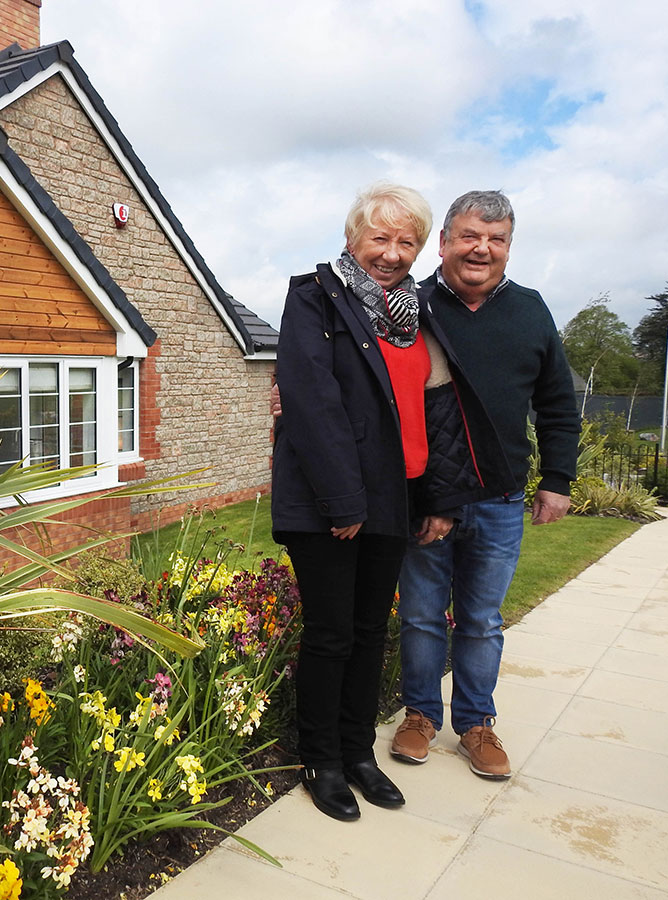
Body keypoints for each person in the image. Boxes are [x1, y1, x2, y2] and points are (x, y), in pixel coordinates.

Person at [271, 183, 508, 821]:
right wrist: (343, 502)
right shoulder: (315, 300)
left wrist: (437, 500)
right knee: (331, 634)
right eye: (381, 237)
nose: (393, 252)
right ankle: (320, 760)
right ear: (353, 238)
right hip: (329, 505)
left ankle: (357, 754)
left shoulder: (415, 315)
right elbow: (312, 404)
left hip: (393, 501)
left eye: (407, 241)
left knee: (373, 632)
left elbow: (431, 417)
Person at [389, 190, 580, 780]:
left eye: (496, 240)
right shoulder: (408, 307)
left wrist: (557, 479)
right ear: (444, 242)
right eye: (470, 236)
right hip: (427, 496)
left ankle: (475, 723)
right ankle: (420, 716)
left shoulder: (530, 309)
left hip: (498, 498)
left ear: (508, 248)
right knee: (421, 616)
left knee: (481, 620)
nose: (482, 249)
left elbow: (556, 402)